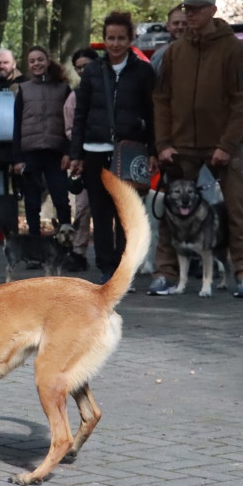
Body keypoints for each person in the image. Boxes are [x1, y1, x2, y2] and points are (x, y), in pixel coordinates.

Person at [148, 0, 243, 298]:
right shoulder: (174, 52)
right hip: (180, 144)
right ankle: (165, 273)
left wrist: (227, 144)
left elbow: (241, 101)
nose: (190, 14)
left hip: (222, 144)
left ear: (212, 10)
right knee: (172, 207)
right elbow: (161, 100)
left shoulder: (233, 50)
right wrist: (163, 144)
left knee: (238, 209)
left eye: (197, 9)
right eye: (187, 8)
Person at [69, 14, 156, 284]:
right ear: (103, 40)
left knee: (126, 211)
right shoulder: (94, 71)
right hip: (95, 149)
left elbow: (152, 113)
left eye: (121, 38)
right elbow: (80, 114)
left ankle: (123, 264)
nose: (115, 43)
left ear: (130, 40)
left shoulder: (143, 71)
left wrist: (153, 150)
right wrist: (76, 155)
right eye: (110, 38)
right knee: (100, 210)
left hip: (130, 150)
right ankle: (106, 266)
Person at [12, 45, 72, 236]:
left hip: (56, 153)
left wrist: (69, 152)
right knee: (32, 200)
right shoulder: (23, 89)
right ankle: (34, 244)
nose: (36, 64)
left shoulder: (63, 89)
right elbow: (17, 124)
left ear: (47, 61)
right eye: (32, 61)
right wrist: (17, 158)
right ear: (28, 65)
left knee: (61, 198)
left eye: (40, 59)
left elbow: (71, 122)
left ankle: (66, 241)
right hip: (30, 153)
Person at [64, 47, 99, 270]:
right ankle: (78, 252)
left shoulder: (108, 90)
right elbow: (70, 130)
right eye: (79, 68)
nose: (83, 71)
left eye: (87, 66)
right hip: (85, 158)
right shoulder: (73, 97)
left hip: (111, 157)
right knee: (83, 206)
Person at [149, 4, 187, 75]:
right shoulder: (159, 56)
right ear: (168, 26)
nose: (180, 27)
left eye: (185, 23)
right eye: (176, 23)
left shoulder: (200, 54)